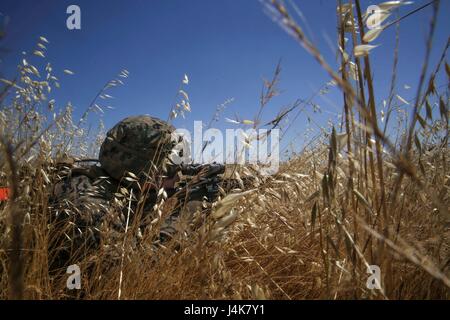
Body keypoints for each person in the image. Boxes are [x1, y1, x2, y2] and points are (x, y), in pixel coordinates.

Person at [49, 115, 187, 270]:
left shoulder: (109, 183)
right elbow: (131, 276)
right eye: (170, 171)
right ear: (140, 168)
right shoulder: (93, 207)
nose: (177, 178)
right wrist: (181, 219)